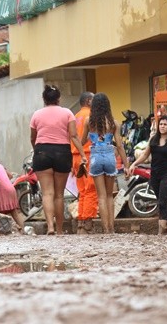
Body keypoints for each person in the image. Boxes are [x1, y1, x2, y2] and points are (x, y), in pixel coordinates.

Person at [30, 85, 87, 235]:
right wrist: (82, 155)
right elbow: (74, 136)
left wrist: (37, 149)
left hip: (42, 151)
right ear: (59, 98)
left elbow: (33, 137)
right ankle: (60, 230)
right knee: (59, 195)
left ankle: (50, 227)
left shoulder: (36, 114)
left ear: (44, 99)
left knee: (47, 193)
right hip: (62, 152)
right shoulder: (67, 113)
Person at [80, 93, 129, 234]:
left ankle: (105, 229)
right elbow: (119, 146)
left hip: (95, 158)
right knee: (109, 196)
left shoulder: (89, 122)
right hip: (109, 158)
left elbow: (82, 142)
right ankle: (112, 228)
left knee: (100, 196)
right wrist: (126, 166)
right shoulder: (114, 123)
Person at [71, 91, 98, 234]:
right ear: (88, 101)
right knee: (91, 190)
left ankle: (81, 222)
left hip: (75, 157)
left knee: (82, 191)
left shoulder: (74, 117)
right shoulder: (91, 116)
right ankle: (88, 222)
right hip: (87, 155)